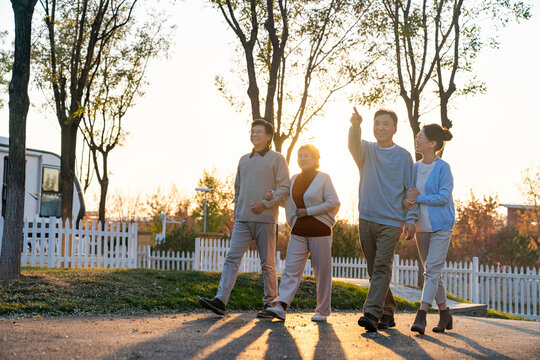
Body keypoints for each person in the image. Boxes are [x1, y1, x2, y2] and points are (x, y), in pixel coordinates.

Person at [198, 119, 291, 317]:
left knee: (267, 263)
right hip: (242, 221)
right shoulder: (243, 160)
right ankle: (220, 301)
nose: (254, 134)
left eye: (259, 132)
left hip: (266, 220)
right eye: (252, 131)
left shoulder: (277, 159)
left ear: (268, 137)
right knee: (232, 258)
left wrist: (265, 203)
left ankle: (269, 304)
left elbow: (284, 188)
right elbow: (237, 190)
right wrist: (236, 216)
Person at [348, 108, 418, 332]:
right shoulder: (366, 150)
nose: (380, 128)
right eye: (377, 123)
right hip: (366, 217)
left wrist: (410, 219)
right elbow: (352, 145)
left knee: (381, 266)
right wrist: (356, 126)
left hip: (391, 221)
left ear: (395, 129)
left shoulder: (404, 156)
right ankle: (387, 312)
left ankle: (371, 313)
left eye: (385, 124)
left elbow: (410, 190)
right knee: (373, 268)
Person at [264, 144, 340, 322]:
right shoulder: (294, 178)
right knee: (290, 268)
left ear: (315, 159)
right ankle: (282, 305)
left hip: (320, 230)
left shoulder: (324, 178)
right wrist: (272, 196)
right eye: (300, 156)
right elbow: (287, 201)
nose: (302, 159)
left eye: (306, 155)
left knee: (322, 271)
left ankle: (322, 311)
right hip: (298, 230)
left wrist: (309, 211)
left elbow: (333, 202)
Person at [404, 124, 455, 334]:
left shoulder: (444, 168)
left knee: (431, 271)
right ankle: (445, 314)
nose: (417, 139)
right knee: (433, 273)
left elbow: (444, 197)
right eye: (417, 136)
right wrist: (409, 218)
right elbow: (410, 198)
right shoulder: (414, 168)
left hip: (442, 225)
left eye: (421, 137)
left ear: (433, 143)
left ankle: (422, 314)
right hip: (421, 226)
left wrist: (420, 198)